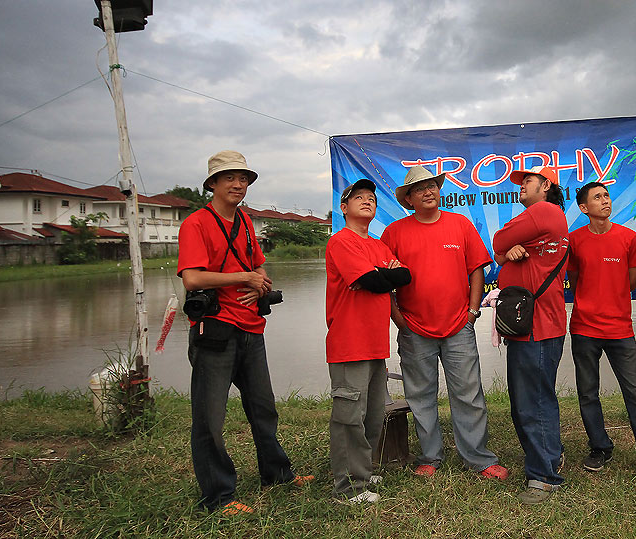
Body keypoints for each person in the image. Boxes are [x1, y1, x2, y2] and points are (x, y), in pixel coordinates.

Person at [177, 150, 312, 514]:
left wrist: (260, 284)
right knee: (210, 417)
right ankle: (219, 496)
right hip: (216, 329)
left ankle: (277, 474)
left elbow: (259, 268)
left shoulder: (246, 223)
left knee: (263, 408)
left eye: (243, 179)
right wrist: (244, 278)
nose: (238, 184)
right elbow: (192, 278)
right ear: (213, 185)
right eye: (229, 178)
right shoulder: (196, 223)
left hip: (251, 326)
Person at [380, 166, 508, 481]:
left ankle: (478, 458)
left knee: (468, 393)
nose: (429, 191)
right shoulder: (394, 233)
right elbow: (384, 282)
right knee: (420, 395)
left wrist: (473, 311)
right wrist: (399, 320)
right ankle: (430, 457)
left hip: (458, 327)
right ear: (408, 198)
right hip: (414, 329)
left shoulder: (460, 224)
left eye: (433, 185)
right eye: (420, 188)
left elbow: (477, 269)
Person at [567, 182, 636, 486]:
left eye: (606, 196)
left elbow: (632, 283)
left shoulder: (628, 238)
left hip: (620, 328)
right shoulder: (574, 241)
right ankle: (600, 447)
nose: (605, 201)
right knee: (588, 393)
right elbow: (575, 278)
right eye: (597, 198)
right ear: (583, 208)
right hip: (584, 328)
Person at [325, 178, 411, 504]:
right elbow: (371, 280)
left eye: (371, 198)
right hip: (349, 343)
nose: (367, 201)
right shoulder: (341, 242)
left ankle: (364, 467)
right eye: (358, 197)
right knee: (349, 416)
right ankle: (348, 487)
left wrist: (379, 275)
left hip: (376, 343)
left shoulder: (377, 245)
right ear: (344, 208)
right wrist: (378, 275)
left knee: (373, 413)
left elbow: (404, 276)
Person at [491, 166, 569, 505]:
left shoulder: (543, 211)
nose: (522, 187)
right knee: (540, 397)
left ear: (546, 185)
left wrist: (506, 245)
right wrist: (510, 251)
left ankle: (544, 477)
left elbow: (497, 240)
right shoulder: (546, 222)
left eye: (528, 181)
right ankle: (551, 457)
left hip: (535, 325)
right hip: (541, 323)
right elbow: (501, 251)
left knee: (530, 403)